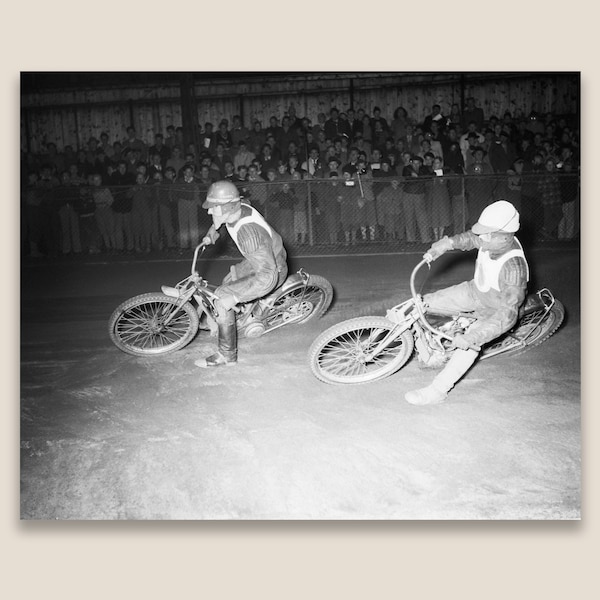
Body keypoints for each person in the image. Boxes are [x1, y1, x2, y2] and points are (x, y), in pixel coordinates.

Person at [405, 200, 529, 405]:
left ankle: (437, 391)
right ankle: (431, 350)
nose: (481, 237)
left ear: (505, 236)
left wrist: (473, 337)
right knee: (422, 304)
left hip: (494, 310)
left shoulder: (514, 269)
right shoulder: (493, 239)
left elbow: (507, 314)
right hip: (475, 290)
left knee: (467, 346)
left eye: (487, 234)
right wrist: (447, 244)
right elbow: (471, 238)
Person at [195, 181, 288, 368]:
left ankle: (226, 355)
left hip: (272, 269)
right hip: (263, 259)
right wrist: (210, 235)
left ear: (228, 206)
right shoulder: (240, 205)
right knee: (229, 279)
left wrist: (235, 297)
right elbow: (218, 223)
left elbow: (267, 277)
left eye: (214, 207)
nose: (209, 211)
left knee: (223, 298)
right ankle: (232, 319)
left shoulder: (248, 235)